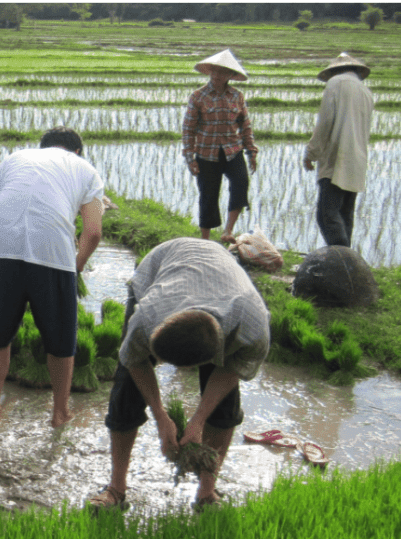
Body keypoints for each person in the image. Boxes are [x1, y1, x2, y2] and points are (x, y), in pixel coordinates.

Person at [88, 237, 270, 512]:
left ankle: (207, 494)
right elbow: (135, 361)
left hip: (223, 284)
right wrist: (161, 417)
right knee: (126, 393)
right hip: (165, 262)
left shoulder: (252, 326)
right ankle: (116, 488)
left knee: (224, 407)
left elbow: (231, 370)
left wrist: (197, 421)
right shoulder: (146, 316)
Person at [0, 128, 104, 431]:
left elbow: (4, 201)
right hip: (51, 252)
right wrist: (76, 267)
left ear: (43, 147)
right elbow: (94, 232)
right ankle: (60, 412)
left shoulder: (15, 159)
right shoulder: (87, 170)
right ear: (76, 152)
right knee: (60, 342)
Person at [182, 49, 258, 245]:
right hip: (206, 154)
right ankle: (205, 241)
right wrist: (190, 158)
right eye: (214, 71)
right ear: (209, 72)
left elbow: (245, 125)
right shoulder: (198, 96)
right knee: (208, 194)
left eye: (222, 72)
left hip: (233, 151)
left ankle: (228, 231)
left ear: (230, 76)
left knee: (241, 184)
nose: (217, 76)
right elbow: (188, 129)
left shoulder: (236, 96)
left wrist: (251, 152)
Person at [304, 53, 374, 248]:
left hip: (337, 157)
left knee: (327, 215)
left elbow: (325, 122)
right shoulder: (365, 91)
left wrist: (311, 153)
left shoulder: (335, 83)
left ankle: (342, 260)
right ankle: (347, 261)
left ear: (334, 71)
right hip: (357, 160)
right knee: (345, 215)